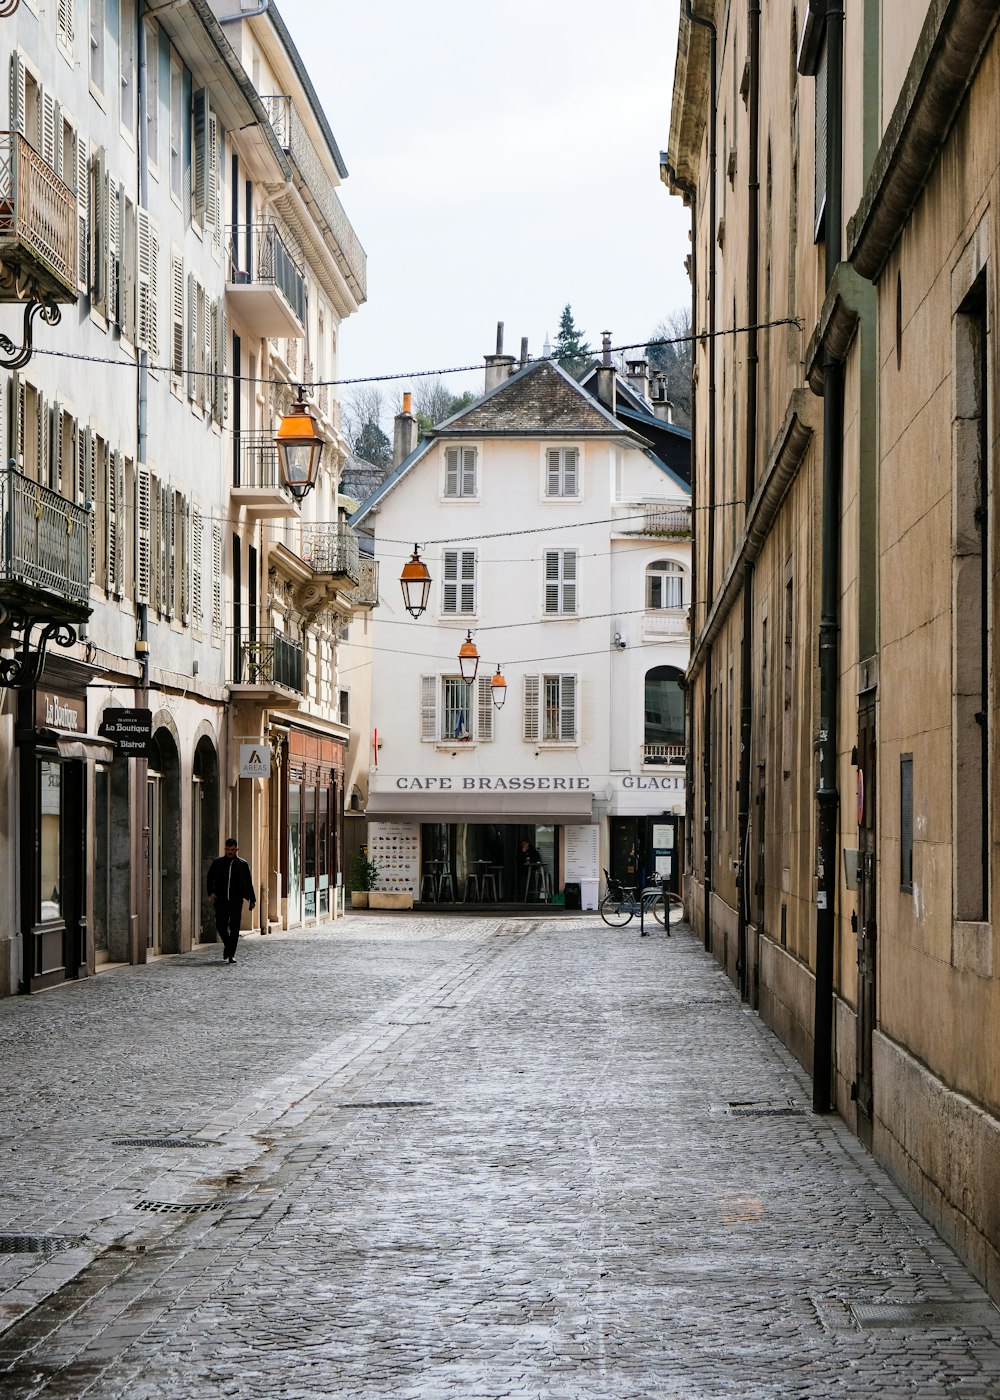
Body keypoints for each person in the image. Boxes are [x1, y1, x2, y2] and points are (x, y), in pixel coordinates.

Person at [207, 838, 256, 963]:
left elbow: (248, 882)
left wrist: (252, 899)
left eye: (232, 850)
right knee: (220, 926)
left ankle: (231, 954)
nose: (230, 852)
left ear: (236, 849)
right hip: (221, 900)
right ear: (225, 849)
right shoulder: (217, 863)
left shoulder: (242, 864)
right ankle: (228, 946)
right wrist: (211, 893)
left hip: (236, 900)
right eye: (228, 849)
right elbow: (209, 878)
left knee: (234, 927)